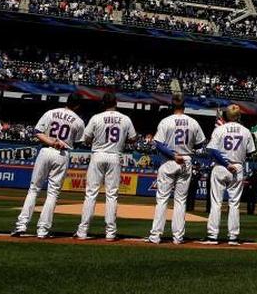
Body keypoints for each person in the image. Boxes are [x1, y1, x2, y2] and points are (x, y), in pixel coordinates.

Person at [13, 94, 86, 238]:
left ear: (67, 101)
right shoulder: (78, 121)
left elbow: (37, 133)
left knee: (34, 189)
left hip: (45, 150)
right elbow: (78, 143)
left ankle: (21, 225)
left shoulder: (50, 112)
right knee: (53, 193)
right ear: (77, 106)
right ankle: (42, 230)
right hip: (62, 154)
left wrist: (51, 142)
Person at [74, 92, 136, 241]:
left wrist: (96, 140)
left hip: (98, 155)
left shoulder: (96, 118)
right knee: (112, 195)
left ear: (103, 104)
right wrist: (122, 140)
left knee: (90, 194)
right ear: (116, 103)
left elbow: (86, 139)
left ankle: (82, 231)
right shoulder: (125, 119)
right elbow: (133, 138)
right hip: (115, 155)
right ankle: (110, 233)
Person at [147, 93, 206, 245]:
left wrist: (173, 155)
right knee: (180, 201)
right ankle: (178, 237)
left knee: (162, 199)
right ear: (184, 106)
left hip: (169, 160)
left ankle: (155, 236)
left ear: (172, 106)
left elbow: (158, 144)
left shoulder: (166, 121)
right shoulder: (193, 122)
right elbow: (201, 144)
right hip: (186, 160)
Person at [206, 104, 256, 244]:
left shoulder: (219, 129)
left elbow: (212, 150)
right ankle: (233, 236)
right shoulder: (245, 131)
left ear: (226, 116)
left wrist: (226, 163)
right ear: (239, 115)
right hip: (238, 166)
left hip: (221, 166)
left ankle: (212, 235)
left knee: (216, 202)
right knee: (234, 203)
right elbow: (251, 151)